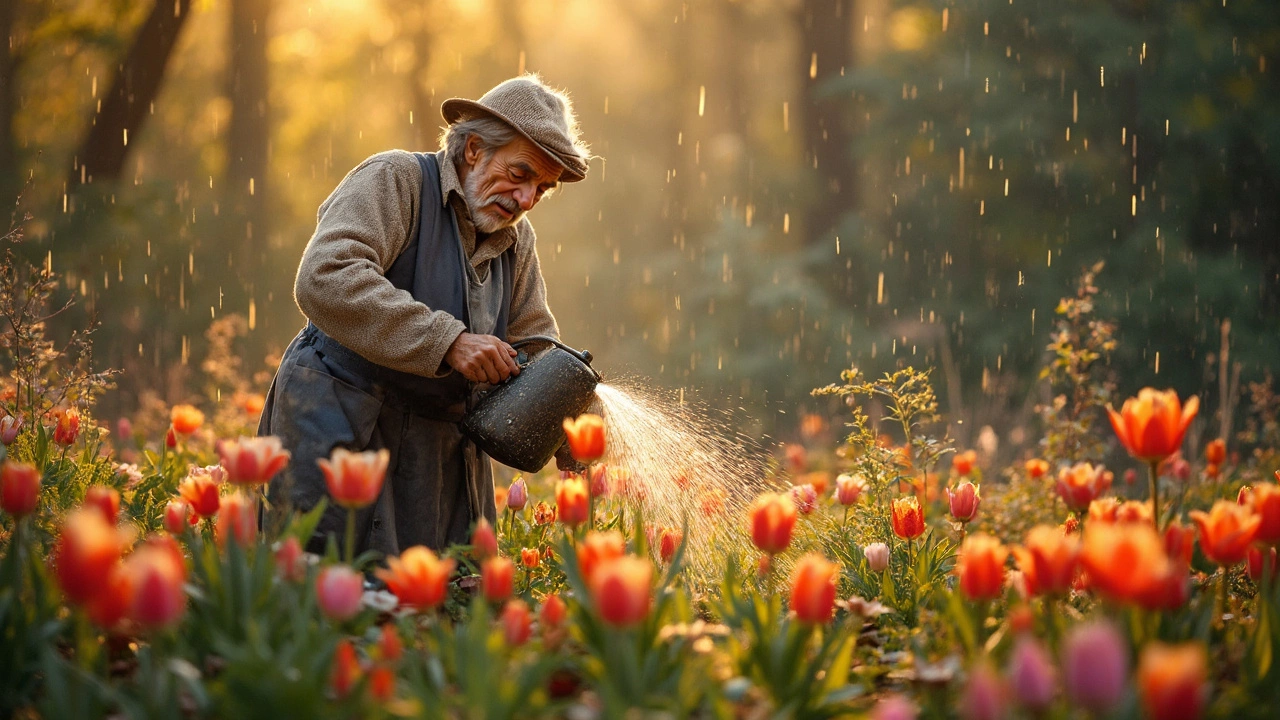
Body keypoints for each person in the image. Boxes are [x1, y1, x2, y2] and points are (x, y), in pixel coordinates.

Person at [259, 75, 591, 555]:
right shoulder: (397, 180)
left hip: (439, 458)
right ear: (474, 149)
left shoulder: (518, 241)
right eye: (520, 175)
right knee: (327, 598)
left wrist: (577, 422)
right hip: (341, 429)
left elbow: (536, 344)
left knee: (445, 613)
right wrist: (450, 342)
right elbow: (325, 275)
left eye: (542, 188)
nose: (525, 200)